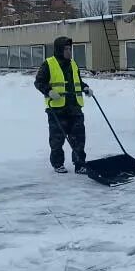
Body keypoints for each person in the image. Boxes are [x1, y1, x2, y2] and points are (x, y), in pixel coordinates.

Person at [34, 37, 93, 174]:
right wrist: (49, 91)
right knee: (57, 139)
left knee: (79, 138)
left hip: (74, 107)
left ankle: (80, 164)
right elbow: (39, 82)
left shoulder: (73, 64)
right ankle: (58, 163)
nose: (69, 52)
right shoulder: (48, 64)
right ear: (59, 50)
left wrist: (85, 88)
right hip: (57, 108)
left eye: (70, 49)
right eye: (66, 49)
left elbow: (77, 81)